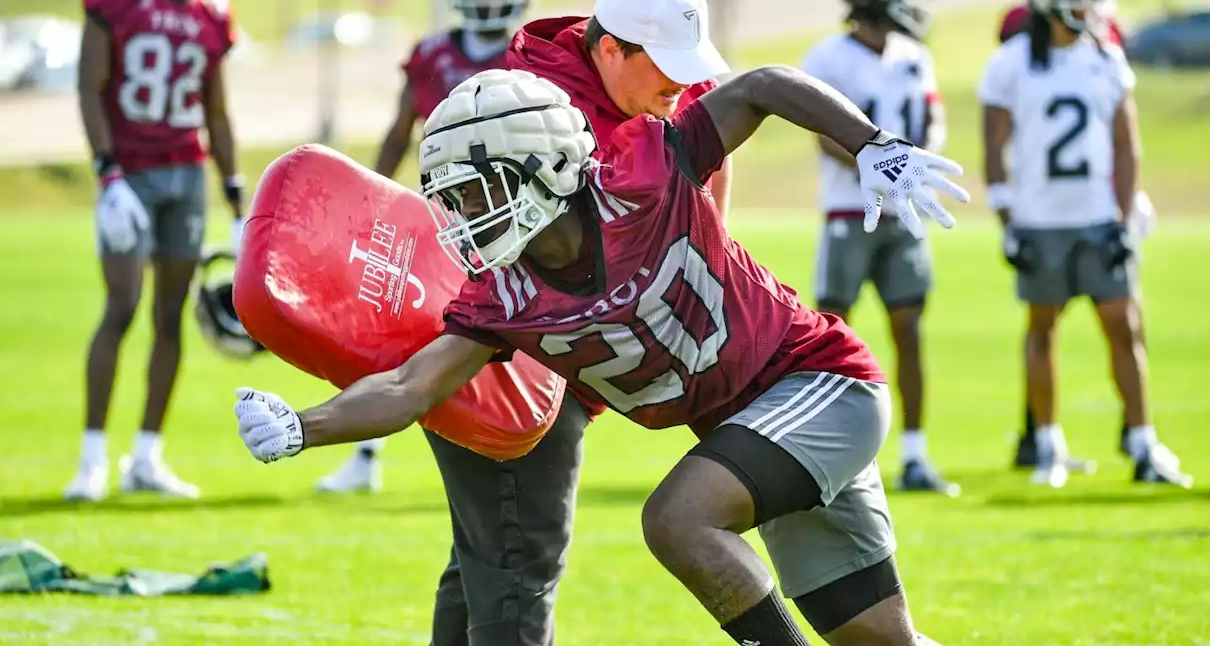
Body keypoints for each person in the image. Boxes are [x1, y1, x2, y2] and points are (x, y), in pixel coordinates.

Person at [232, 66, 967, 644]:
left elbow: (763, 86)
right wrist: (306, 426)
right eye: (455, 196)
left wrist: (870, 142)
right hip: (757, 435)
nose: (465, 214)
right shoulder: (503, 297)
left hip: (819, 382)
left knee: (678, 520)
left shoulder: (646, 172)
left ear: (543, 167)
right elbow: (407, 388)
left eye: (481, 188)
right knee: (882, 640)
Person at [318, 0, 535, 494]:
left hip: (508, 223)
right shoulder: (431, 55)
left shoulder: (532, 53)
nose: (485, 2)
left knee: (497, 336)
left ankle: (509, 442)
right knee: (397, 328)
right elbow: (400, 129)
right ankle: (366, 450)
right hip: (438, 218)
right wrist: (369, 194)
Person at [979, 0, 1191, 488]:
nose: (1089, 3)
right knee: (1042, 330)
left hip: (1097, 216)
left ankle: (1144, 443)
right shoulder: (1011, 63)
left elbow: (1127, 144)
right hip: (1040, 218)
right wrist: (1007, 220)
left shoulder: (1106, 58)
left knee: (1124, 326)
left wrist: (1123, 215)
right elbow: (994, 149)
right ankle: (1048, 446)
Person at [65, 0, 243, 502]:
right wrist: (107, 174)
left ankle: (147, 455)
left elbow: (216, 109)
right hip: (129, 172)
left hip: (186, 173)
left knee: (169, 316)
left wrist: (235, 198)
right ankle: (91, 458)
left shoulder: (211, 6)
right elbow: (88, 86)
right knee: (121, 305)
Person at [801, 0, 957, 496]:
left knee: (910, 330)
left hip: (902, 215)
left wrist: (912, 165)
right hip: (851, 208)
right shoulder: (828, 57)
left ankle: (915, 454)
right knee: (830, 333)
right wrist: (882, 166)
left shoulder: (914, 54)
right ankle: (809, 445)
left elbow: (932, 120)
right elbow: (824, 136)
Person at [504, 0, 733, 220]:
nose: (685, 82)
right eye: (669, 64)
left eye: (689, 62)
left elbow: (713, 224)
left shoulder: (698, 92)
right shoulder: (536, 111)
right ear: (611, 49)